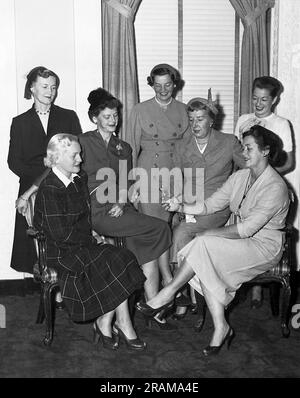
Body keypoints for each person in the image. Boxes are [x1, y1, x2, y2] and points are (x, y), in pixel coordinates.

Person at [17, 87, 174, 330]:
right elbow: (55, 167)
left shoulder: (124, 148)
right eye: (107, 116)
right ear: (95, 118)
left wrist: (122, 202)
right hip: (93, 207)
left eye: (115, 116)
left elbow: (126, 180)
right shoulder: (83, 141)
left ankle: (150, 306)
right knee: (159, 227)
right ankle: (165, 287)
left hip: (119, 206)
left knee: (141, 243)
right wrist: (28, 193)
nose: (113, 121)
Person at [136, 125, 290, 356]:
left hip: (264, 247)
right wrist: (182, 206)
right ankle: (220, 327)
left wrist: (209, 233)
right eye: (243, 148)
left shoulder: (275, 187)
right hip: (243, 241)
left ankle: (168, 294)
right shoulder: (240, 177)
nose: (243, 153)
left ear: (265, 151)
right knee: (204, 253)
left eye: (248, 149)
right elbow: (211, 204)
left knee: (204, 244)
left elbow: (247, 229)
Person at [34, 133, 146, 351]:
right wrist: (91, 239)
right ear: (57, 158)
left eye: (80, 154)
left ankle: (110, 321)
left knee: (123, 256)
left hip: (82, 245)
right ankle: (118, 323)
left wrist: (94, 235)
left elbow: (85, 217)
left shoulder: (79, 178)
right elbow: (60, 235)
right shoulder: (49, 188)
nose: (80, 160)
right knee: (112, 259)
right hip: (61, 252)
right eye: (74, 155)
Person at [171, 91, 245, 321]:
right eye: (191, 120)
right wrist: (179, 205)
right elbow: (176, 178)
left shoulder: (228, 142)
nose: (195, 124)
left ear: (211, 120)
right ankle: (191, 293)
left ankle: (179, 292)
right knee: (173, 230)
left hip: (215, 208)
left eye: (200, 119)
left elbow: (248, 170)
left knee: (183, 232)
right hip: (187, 204)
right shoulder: (182, 146)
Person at [8, 66, 82, 275]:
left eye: (54, 87)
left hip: (63, 188)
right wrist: (42, 169)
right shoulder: (20, 122)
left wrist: (58, 172)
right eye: (44, 86)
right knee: (37, 251)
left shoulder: (68, 117)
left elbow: (76, 155)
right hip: (32, 190)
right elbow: (14, 162)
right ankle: (48, 292)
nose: (50, 91)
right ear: (32, 88)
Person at [235, 76, 294, 307]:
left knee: (259, 230)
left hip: (269, 185)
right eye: (255, 98)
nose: (259, 104)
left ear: (275, 99)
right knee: (241, 229)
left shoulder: (281, 124)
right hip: (244, 183)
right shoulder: (243, 120)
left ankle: (258, 286)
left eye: (264, 100)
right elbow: (239, 153)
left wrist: (263, 172)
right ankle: (244, 278)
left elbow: (289, 162)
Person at [126, 63, 190, 221]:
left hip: (174, 171)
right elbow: (131, 148)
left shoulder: (184, 110)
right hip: (147, 172)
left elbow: (189, 149)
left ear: (174, 84)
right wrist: (132, 182)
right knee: (151, 222)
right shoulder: (139, 110)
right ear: (152, 85)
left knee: (169, 221)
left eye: (167, 84)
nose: (163, 90)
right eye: (158, 85)